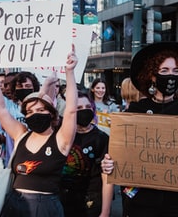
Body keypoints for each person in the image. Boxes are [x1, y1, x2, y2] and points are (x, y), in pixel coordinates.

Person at [0, 48, 78, 216]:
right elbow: (0, 109)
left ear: (51, 113)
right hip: (14, 205)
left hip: (45, 208)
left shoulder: (61, 139)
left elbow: (71, 110)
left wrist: (69, 72)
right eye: (30, 111)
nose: (35, 114)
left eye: (41, 110)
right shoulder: (21, 134)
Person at [102, 42, 178, 217]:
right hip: (141, 204)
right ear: (152, 76)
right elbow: (119, 152)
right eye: (164, 71)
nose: (171, 76)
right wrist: (109, 163)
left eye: (176, 71)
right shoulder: (136, 111)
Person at [60, 91, 113, 217]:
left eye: (88, 107)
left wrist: (105, 212)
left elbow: (107, 177)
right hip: (64, 199)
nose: (84, 110)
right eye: (78, 108)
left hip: (91, 200)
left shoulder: (101, 138)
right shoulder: (62, 135)